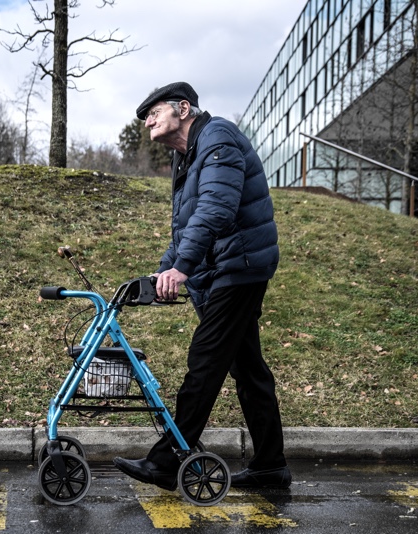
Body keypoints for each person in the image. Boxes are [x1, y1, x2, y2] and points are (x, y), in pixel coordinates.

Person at [113, 81, 291, 490]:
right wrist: (161, 273)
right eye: (144, 118)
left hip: (241, 265)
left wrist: (184, 268)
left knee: (206, 359)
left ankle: (167, 460)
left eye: (154, 111)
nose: (148, 120)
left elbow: (216, 208)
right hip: (223, 270)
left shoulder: (217, 138)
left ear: (184, 107)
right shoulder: (186, 155)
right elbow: (185, 228)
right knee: (248, 370)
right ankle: (270, 465)